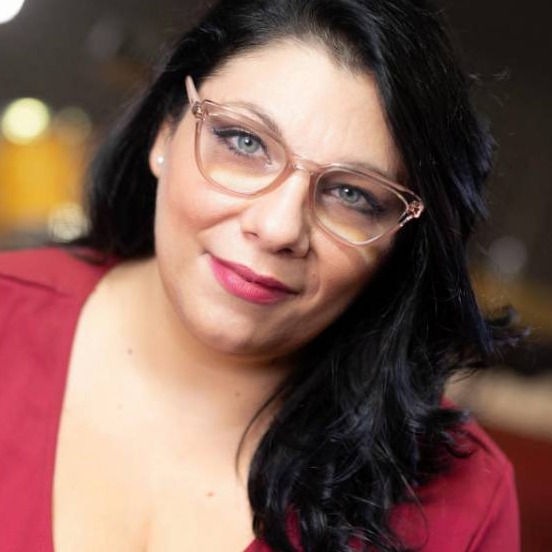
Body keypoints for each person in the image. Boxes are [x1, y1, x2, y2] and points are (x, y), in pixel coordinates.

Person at [0, 0, 520, 550]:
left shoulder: (468, 499)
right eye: (244, 142)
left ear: (400, 238)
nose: (277, 228)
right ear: (164, 132)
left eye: (352, 194)